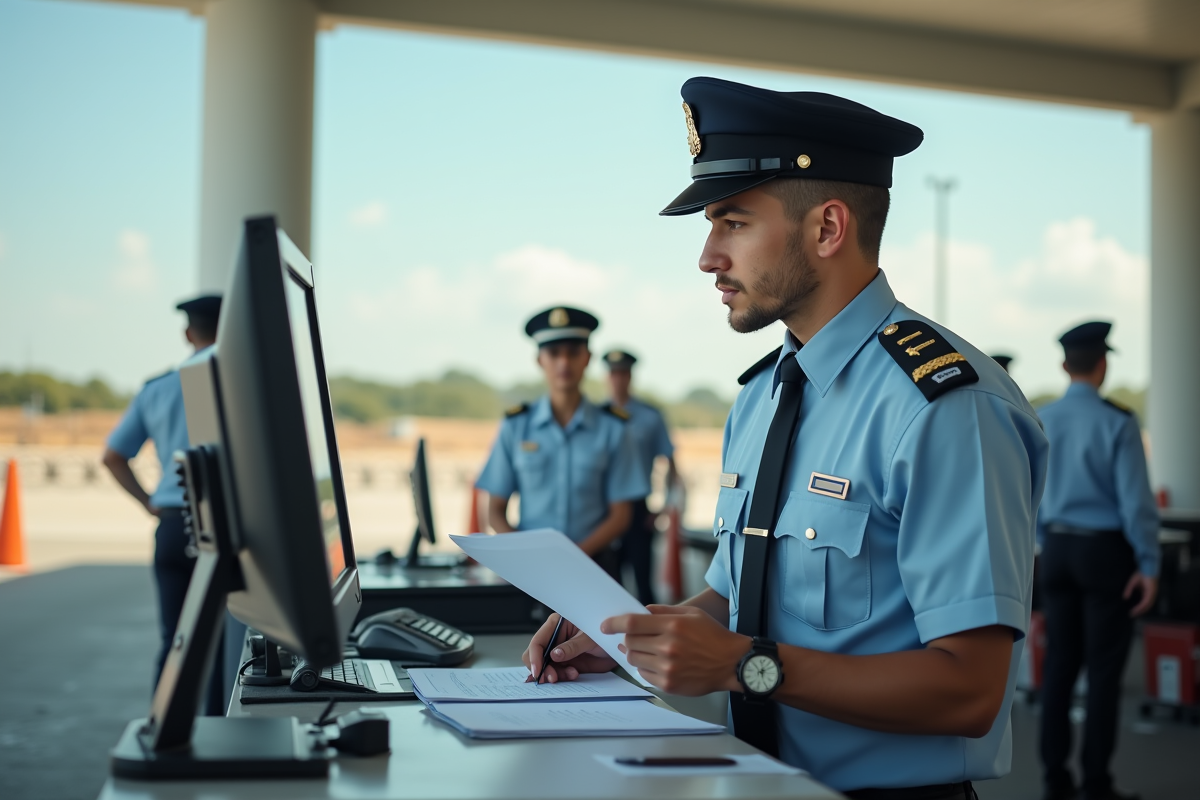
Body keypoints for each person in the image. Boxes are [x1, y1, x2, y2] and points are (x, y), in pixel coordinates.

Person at [522, 77, 1049, 800]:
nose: (708, 256)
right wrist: (627, 635)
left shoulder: (943, 408)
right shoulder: (763, 395)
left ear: (827, 228)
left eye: (732, 223)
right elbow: (734, 598)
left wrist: (745, 666)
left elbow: (970, 691)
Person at [1037, 321, 1159, 800]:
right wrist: (1148, 565)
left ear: (1065, 366)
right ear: (1103, 365)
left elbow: (1032, 495)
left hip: (1058, 551)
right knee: (1103, 673)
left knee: (1058, 669)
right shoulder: (1118, 421)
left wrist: (1044, 543)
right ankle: (1096, 783)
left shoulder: (1042, 417)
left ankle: (1054, 780)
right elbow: (1136, 503)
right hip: (1105, 552)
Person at [103, 294, 227, 715]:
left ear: (188, 333)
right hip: (231, 529)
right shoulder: (243, 384)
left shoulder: (157, 389)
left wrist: (151, 504)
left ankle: (164, 731)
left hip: (175, 524)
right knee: (228, 645)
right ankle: (217, 732)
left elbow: (113, 456)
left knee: (176, 639)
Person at [476, 307, 650, 577]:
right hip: (530, 572)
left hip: (595, 569)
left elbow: (621, 515)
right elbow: (494, 510)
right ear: (539, 360)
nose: (563, 363)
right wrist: (526, 555)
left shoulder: (614, 428)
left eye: (573, 353)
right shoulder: (516, 426)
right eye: (554, 354)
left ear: (587, 358)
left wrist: (574, 558)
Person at [602, 349, 677, 605]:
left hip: (637, 508)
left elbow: (670, 463)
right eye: (613, 373)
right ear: (606, 377)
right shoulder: (595, 416)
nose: (618, 379)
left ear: (630, 376)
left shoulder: (649, 416)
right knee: (607, 584)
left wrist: (665, 506)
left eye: (623, 373)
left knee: (644, 582)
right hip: (602, 509)